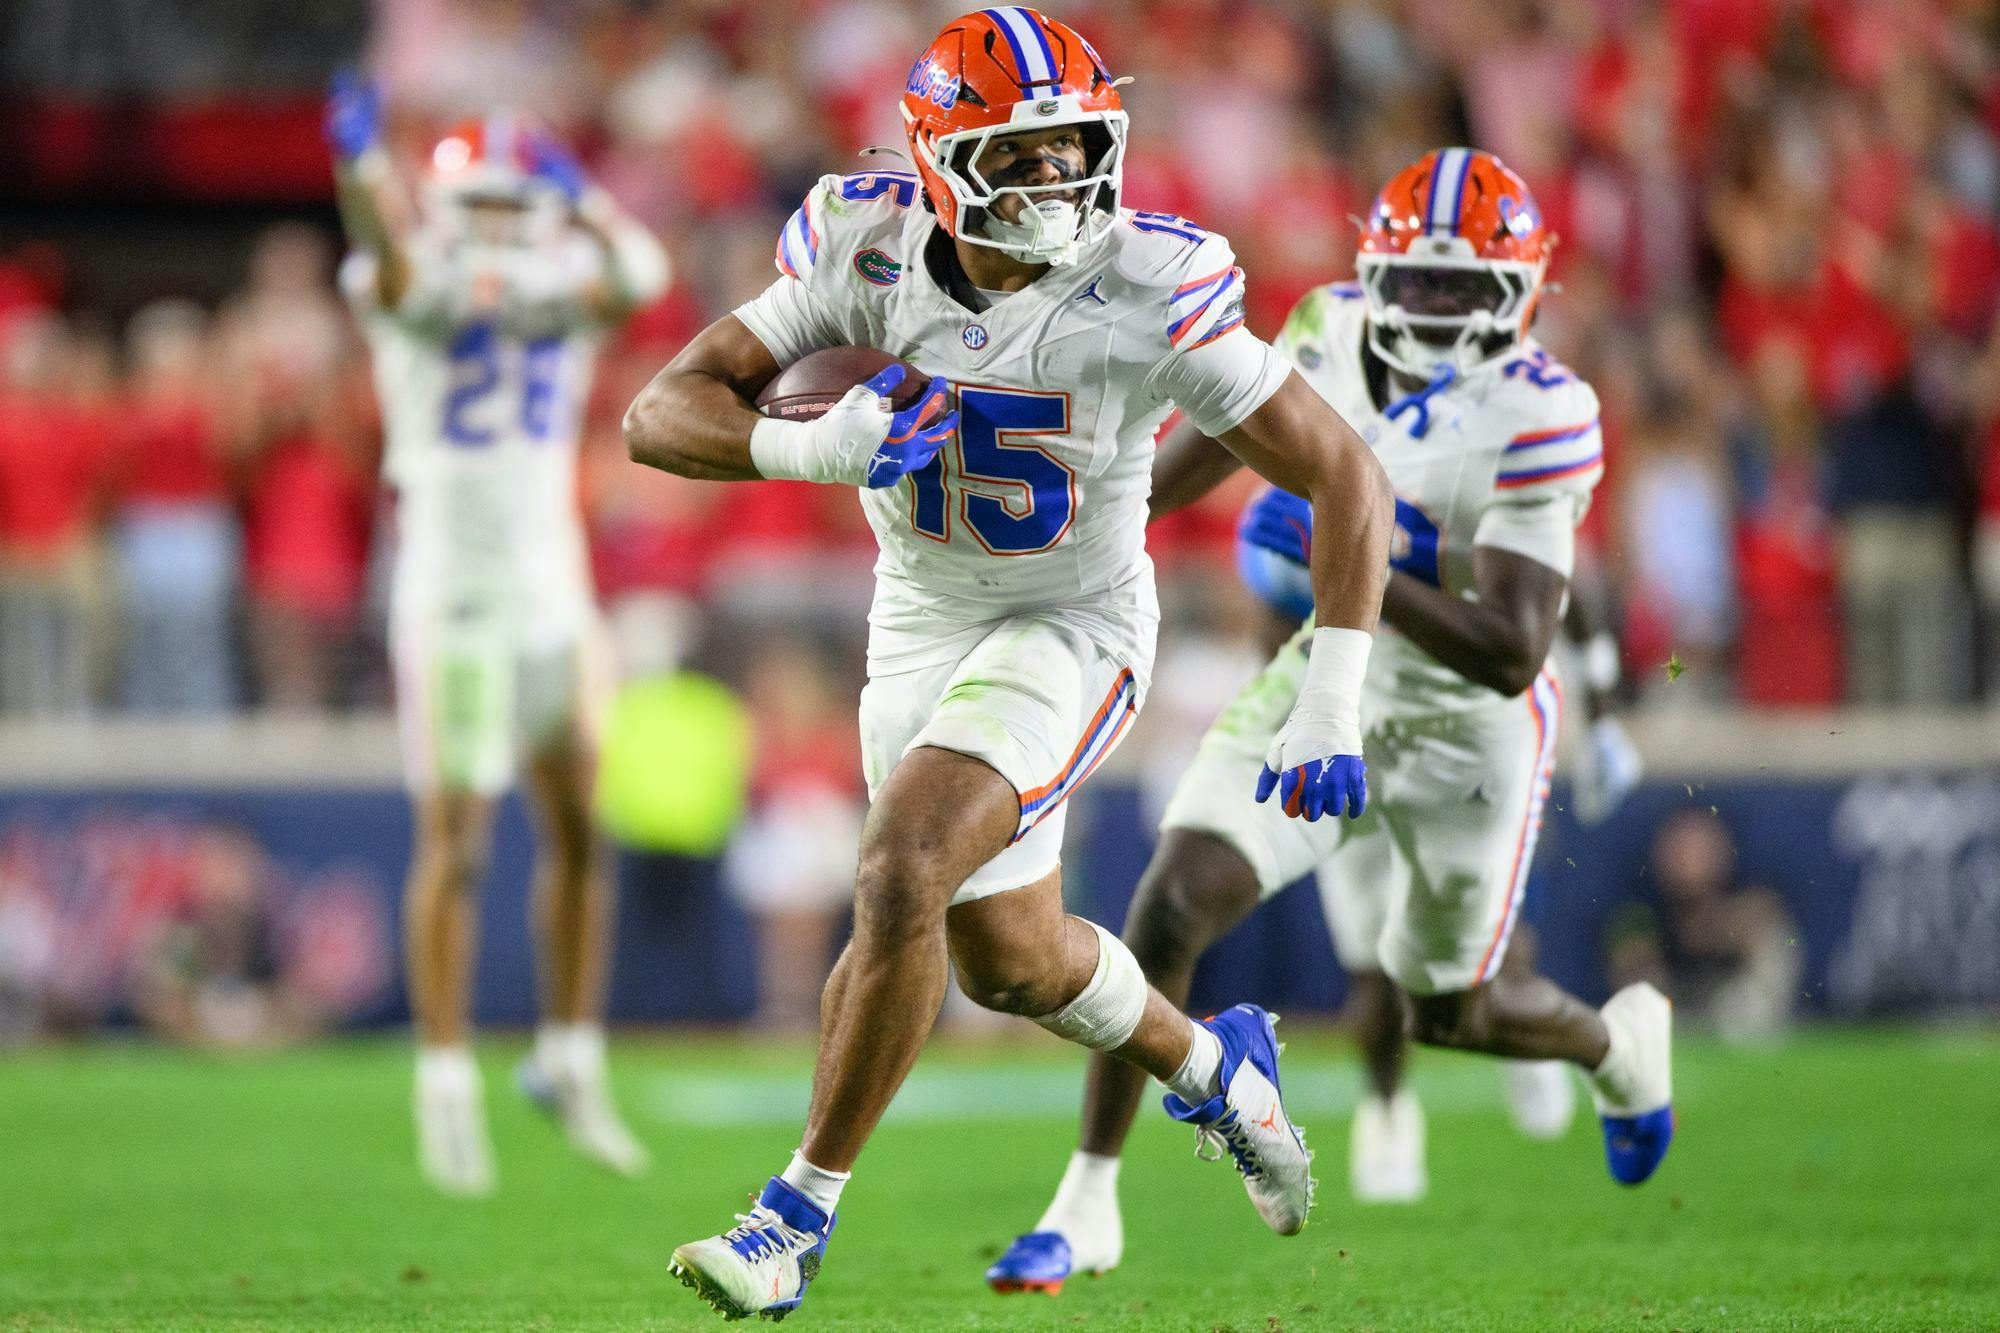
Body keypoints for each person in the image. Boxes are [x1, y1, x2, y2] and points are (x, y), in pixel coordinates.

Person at [622, 9, 1394, 1320]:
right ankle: (1218, 1069)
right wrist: (816, 438)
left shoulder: (1149, 277)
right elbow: (661, 414)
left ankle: (791, 1223)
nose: (1055, 180)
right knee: (1009, 961)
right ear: (941, 160)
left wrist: (1335, 692)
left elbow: (1339, 469)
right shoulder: (862, 247)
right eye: (1021, 154)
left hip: (1075, 621)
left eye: (1071, 148)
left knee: (900, 861)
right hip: (920, 619)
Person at [989, 148, 1675, 1294]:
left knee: (1446, 1008)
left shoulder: (1542, 411)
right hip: (1328, 681)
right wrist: (1109, 509)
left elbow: (1510, 649)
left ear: (1520, 296)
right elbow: (1224, 429)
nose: (1441, 311)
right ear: (1374, 271)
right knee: (1170, 900)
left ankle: (1613, 1046)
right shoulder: (1321, 322)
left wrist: (1337, 563)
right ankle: (1089, 1196)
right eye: (1421, 283)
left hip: (1466, 725)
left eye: (1466, 289)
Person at [325, 74, 670, 1195]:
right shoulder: (421, 274)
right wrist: (357, 173)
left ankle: (567, 1057)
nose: (494, 225)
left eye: (511, 203)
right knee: (459, 841)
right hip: (451, 597)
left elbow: (642, 278)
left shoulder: (560, 280)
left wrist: (596, 204)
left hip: (551, 593)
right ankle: (443, 1078)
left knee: (580, 827)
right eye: (477, 204)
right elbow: (390, 266)